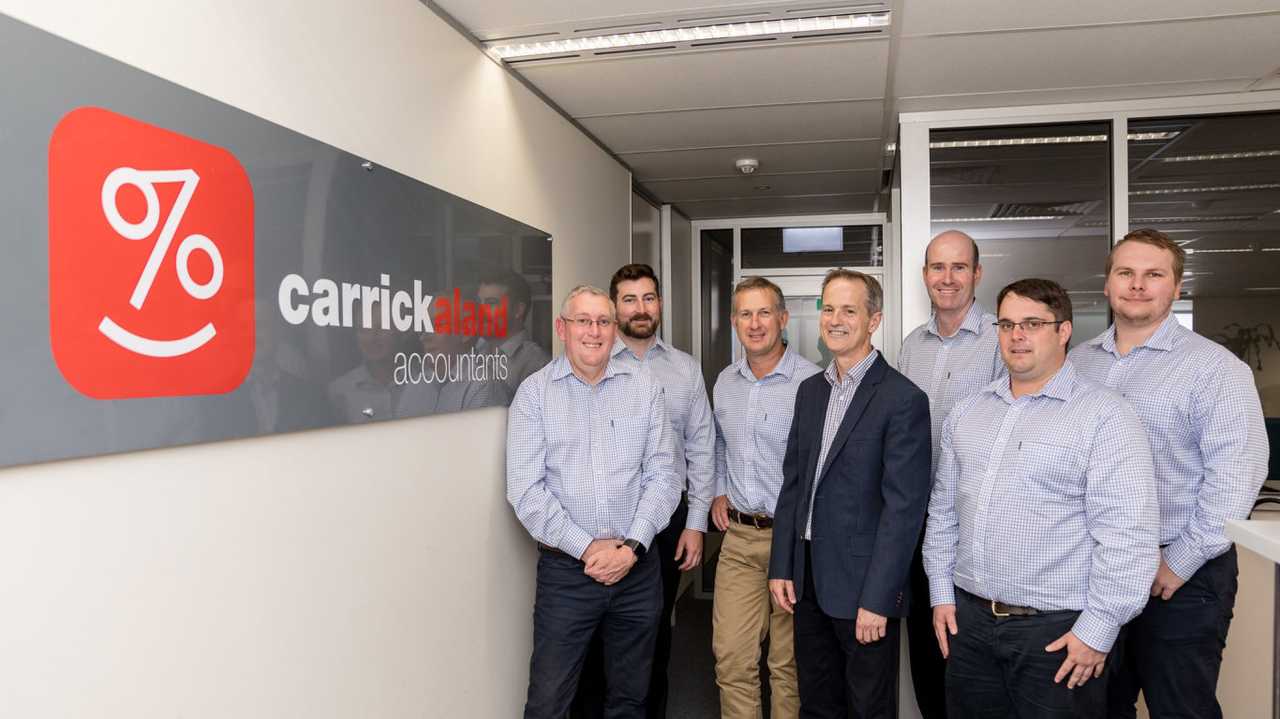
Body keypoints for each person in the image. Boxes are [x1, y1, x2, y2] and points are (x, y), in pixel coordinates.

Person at [924, 278, 1159, 718]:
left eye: (1032, 323)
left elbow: (1129, 536)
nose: (1017, 335)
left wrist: (1098, 630)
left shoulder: (1105, 417)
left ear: (1064, 330)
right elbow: (943, 514)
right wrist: (940, 593)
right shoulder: (970, 412)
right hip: (970, 625)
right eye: (1008, 324)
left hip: (1057, 633)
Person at [1068, 229, 1270, 719]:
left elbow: (1236, 476)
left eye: (1153, 275)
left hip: (1182, 575)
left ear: (1176, 288)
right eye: (1126, 273)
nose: (1137, 285)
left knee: (1180, 706)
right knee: (1096, 706)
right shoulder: (1075, 365)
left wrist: (1176, 562)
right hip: (1095, 572)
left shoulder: (1215, 369)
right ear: (1108, 283)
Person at [507, 284, 680, 719]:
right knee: (549, 702)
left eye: (603, 321)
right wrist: (588, 548)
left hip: (637, 570)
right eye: (583, 321)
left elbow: (665, 477)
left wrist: (632, 547)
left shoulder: (645, 389)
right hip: (567, 574)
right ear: (562, 329)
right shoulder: (534, 394)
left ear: (615, 331)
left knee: (630, 700)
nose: (594, 331)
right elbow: (526, 491)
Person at [768, 269, 931, 719]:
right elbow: (794, 486)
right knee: (818, 703)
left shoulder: (902, 399)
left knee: (867, 707)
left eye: (849, 310)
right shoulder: (810, 392)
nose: (835, 319)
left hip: (863, 590)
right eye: (829, 308)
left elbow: (904, 512)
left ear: (874, 319)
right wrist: (782, 564)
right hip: (809, 583)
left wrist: (879, 599)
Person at [573, 264, 714, 719]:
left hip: (664, 522)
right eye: (629, 299)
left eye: (648, 298)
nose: (640, 308)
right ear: (614, 308)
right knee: (594, 636)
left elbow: (702, 449)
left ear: (660, 304)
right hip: (601, 523)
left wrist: (695, 525)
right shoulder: (591, 362)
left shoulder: (684, 370)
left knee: (653, 633)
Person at [897, 230, 1003, 719]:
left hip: (976, 519)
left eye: (959, 267)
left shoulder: (1001, 340)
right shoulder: (910, 347)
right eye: (937, 268)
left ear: (977, 274)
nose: (947, 278)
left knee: (967, 650)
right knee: (923, 639)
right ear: (924, 276)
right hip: (919, 519)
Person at [710, 276, 820, 719]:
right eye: (744, 314)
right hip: (738, 539)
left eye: (763, 312)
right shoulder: (724, 383)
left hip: (792, 541)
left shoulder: (813, 384)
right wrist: (719, 488)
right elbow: (716, 443)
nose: (754, 324)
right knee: (732, 658)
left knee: (787, 664)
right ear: (734, 321)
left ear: (782, 318)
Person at [477, 270, 551, 396]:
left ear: (518, 310)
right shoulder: (474, 352)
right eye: (479, 303)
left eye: (491, 303)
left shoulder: (537, 364)